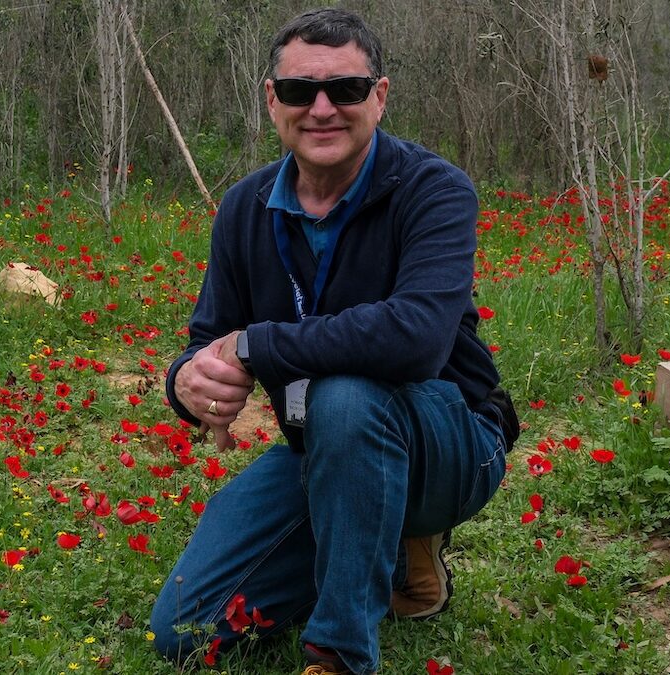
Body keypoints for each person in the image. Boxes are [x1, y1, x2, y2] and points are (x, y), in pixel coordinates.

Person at [150, 8, 518, 675]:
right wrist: (186, 381)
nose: (322, 109)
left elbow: (414, 340)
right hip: (320, 449)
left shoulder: (434, 190)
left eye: (345, 89)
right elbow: (210, 341)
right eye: (300, 91)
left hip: (452, 441)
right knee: (185, 627)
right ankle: (385, 546)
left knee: (346, 396)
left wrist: (256, 345)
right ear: (273, 100)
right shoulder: (244, 208)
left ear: (379, 96)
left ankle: (340, 652)